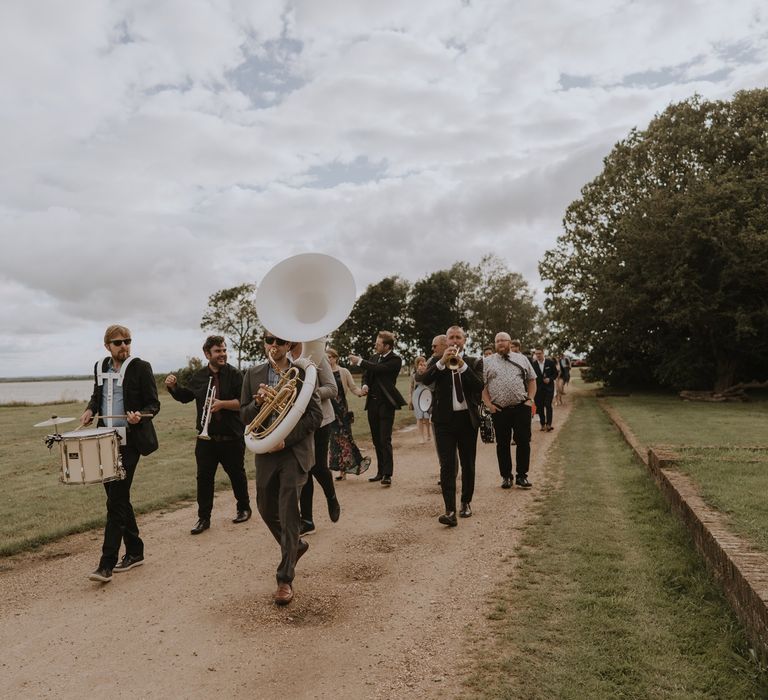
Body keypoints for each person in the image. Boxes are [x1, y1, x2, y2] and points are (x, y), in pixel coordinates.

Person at [240, 333, 323, 605]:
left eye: (278, 341)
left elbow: (315, 416)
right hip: (265, 451)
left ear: (289, 345)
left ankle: (285, 578)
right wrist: (258, 403)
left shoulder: (304, 373)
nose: (272, 346)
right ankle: (295, 546)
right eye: (268, 341)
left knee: (288, 509)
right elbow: (243, 415)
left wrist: (286, 438)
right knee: (264, 507)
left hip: (293, 451)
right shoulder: (252, 374)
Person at [80, 325, 160, 583]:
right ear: (107, 346)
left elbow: (153, 404)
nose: (124, 346)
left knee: (115, 501)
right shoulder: (99, 366)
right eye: (118, 343)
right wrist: (90, 410)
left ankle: (106, 564)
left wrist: (140, 415)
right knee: (119, 497)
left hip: (130, 442)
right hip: (103, 440)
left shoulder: (141, 367)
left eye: (127, 341)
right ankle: (135, 551)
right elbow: (98, 395)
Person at [164, 335, 251, 535]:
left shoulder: (236, 375)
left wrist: (222, 404)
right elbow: (185, 397)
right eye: (218, 351)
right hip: (206, 439)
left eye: (224, 350)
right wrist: (173, 387)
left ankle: (244, 508)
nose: (222, 354)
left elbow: (243, 402)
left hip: (231, 437)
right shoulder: (199, 376)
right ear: (207, 354)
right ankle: (204, 518)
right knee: (204, 479)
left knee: (237, 475)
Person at [415, 326, 483, 527]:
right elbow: (424, 379)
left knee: (468, 463)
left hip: (467, 420)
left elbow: (479, 385)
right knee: (447, 466)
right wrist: (442, 363)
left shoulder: (474, 362)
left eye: (458, 337)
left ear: (465, 340)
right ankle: (450, 510)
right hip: (444, 421)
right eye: (451, 337)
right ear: (446, 340)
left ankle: (466, 503)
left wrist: (462, 366)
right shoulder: (437, 362)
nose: (454, 341)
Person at [289, 342, 341, 537]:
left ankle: (331, 496)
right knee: (304, 469)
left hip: (320, 420)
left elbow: (332, 388)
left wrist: (308, 393)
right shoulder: (284, 359)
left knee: (318, 466)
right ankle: (307, 520)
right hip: (297, 423)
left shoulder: (317, 355)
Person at [348, 330, 406, 486]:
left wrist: (359, 361)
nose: (375, 346)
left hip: (386, 404)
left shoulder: (395, 359)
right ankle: (380, 472)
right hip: (372, 403)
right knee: (376, 440)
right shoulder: (374, 357)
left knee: (384, 439)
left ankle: (387, 474)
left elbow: (379, 369)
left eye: (378, 344)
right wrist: (365, 384)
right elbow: (368, 373)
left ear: (387, 346)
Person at [482, 332, 537, 490]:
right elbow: (483, 386)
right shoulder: (487, 362)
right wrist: (489, 405)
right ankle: (506, 476)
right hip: (499, 410)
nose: (500, 343)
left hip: (521, 407)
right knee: (502, 444)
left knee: (523, 442)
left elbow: (532, 380)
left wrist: (530, 400)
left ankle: (522, 476)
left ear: (509, 342)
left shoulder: (521, 358)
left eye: (503, 340)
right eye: (497, 341)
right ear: (495, 344)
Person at [325, 348, 370, 480]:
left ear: (335, 358)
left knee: (345, 438)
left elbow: (353, 387)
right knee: (334, 440)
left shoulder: (344, 372)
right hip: (329, 410)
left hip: (342, 410)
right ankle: (341, 471)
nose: (328, 360)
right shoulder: (323, 373)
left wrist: (361, 393)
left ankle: (349, 466)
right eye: (326, 357)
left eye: (330, 357)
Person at [532, 348, 558, 431]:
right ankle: (543, 424)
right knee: (539, 407)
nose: (538, 355)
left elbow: (555, 373)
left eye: (540, 353)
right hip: (538, 389)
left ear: (543, 353)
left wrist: (550, 379)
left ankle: (549, 424)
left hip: (549, 388)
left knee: (548, 405)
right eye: (537, 354)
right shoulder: (534, 364)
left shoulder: (550, 362)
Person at [409, 356, 433, 444]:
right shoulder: (414, 374)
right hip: (417, 395)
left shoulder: (428, 372)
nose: (422, 366)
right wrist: (410, 399)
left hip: (426, 394)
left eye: (424, 364)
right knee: (419, 417)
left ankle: (429, 433)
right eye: (420, 364)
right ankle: (421, 436)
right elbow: (411, 386)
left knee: (426, 417)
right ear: (417, 365)